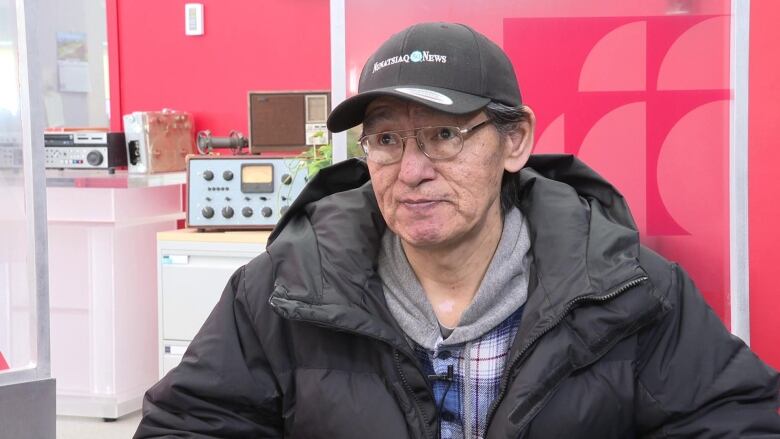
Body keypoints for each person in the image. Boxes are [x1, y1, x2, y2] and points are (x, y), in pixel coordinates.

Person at [134, 22, 780, 438]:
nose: (412, 171)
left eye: (444, 135)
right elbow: (192, 423)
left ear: (515, 139)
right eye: (386, 139)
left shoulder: (628, 289)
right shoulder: (286, 286)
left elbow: (734, 420)